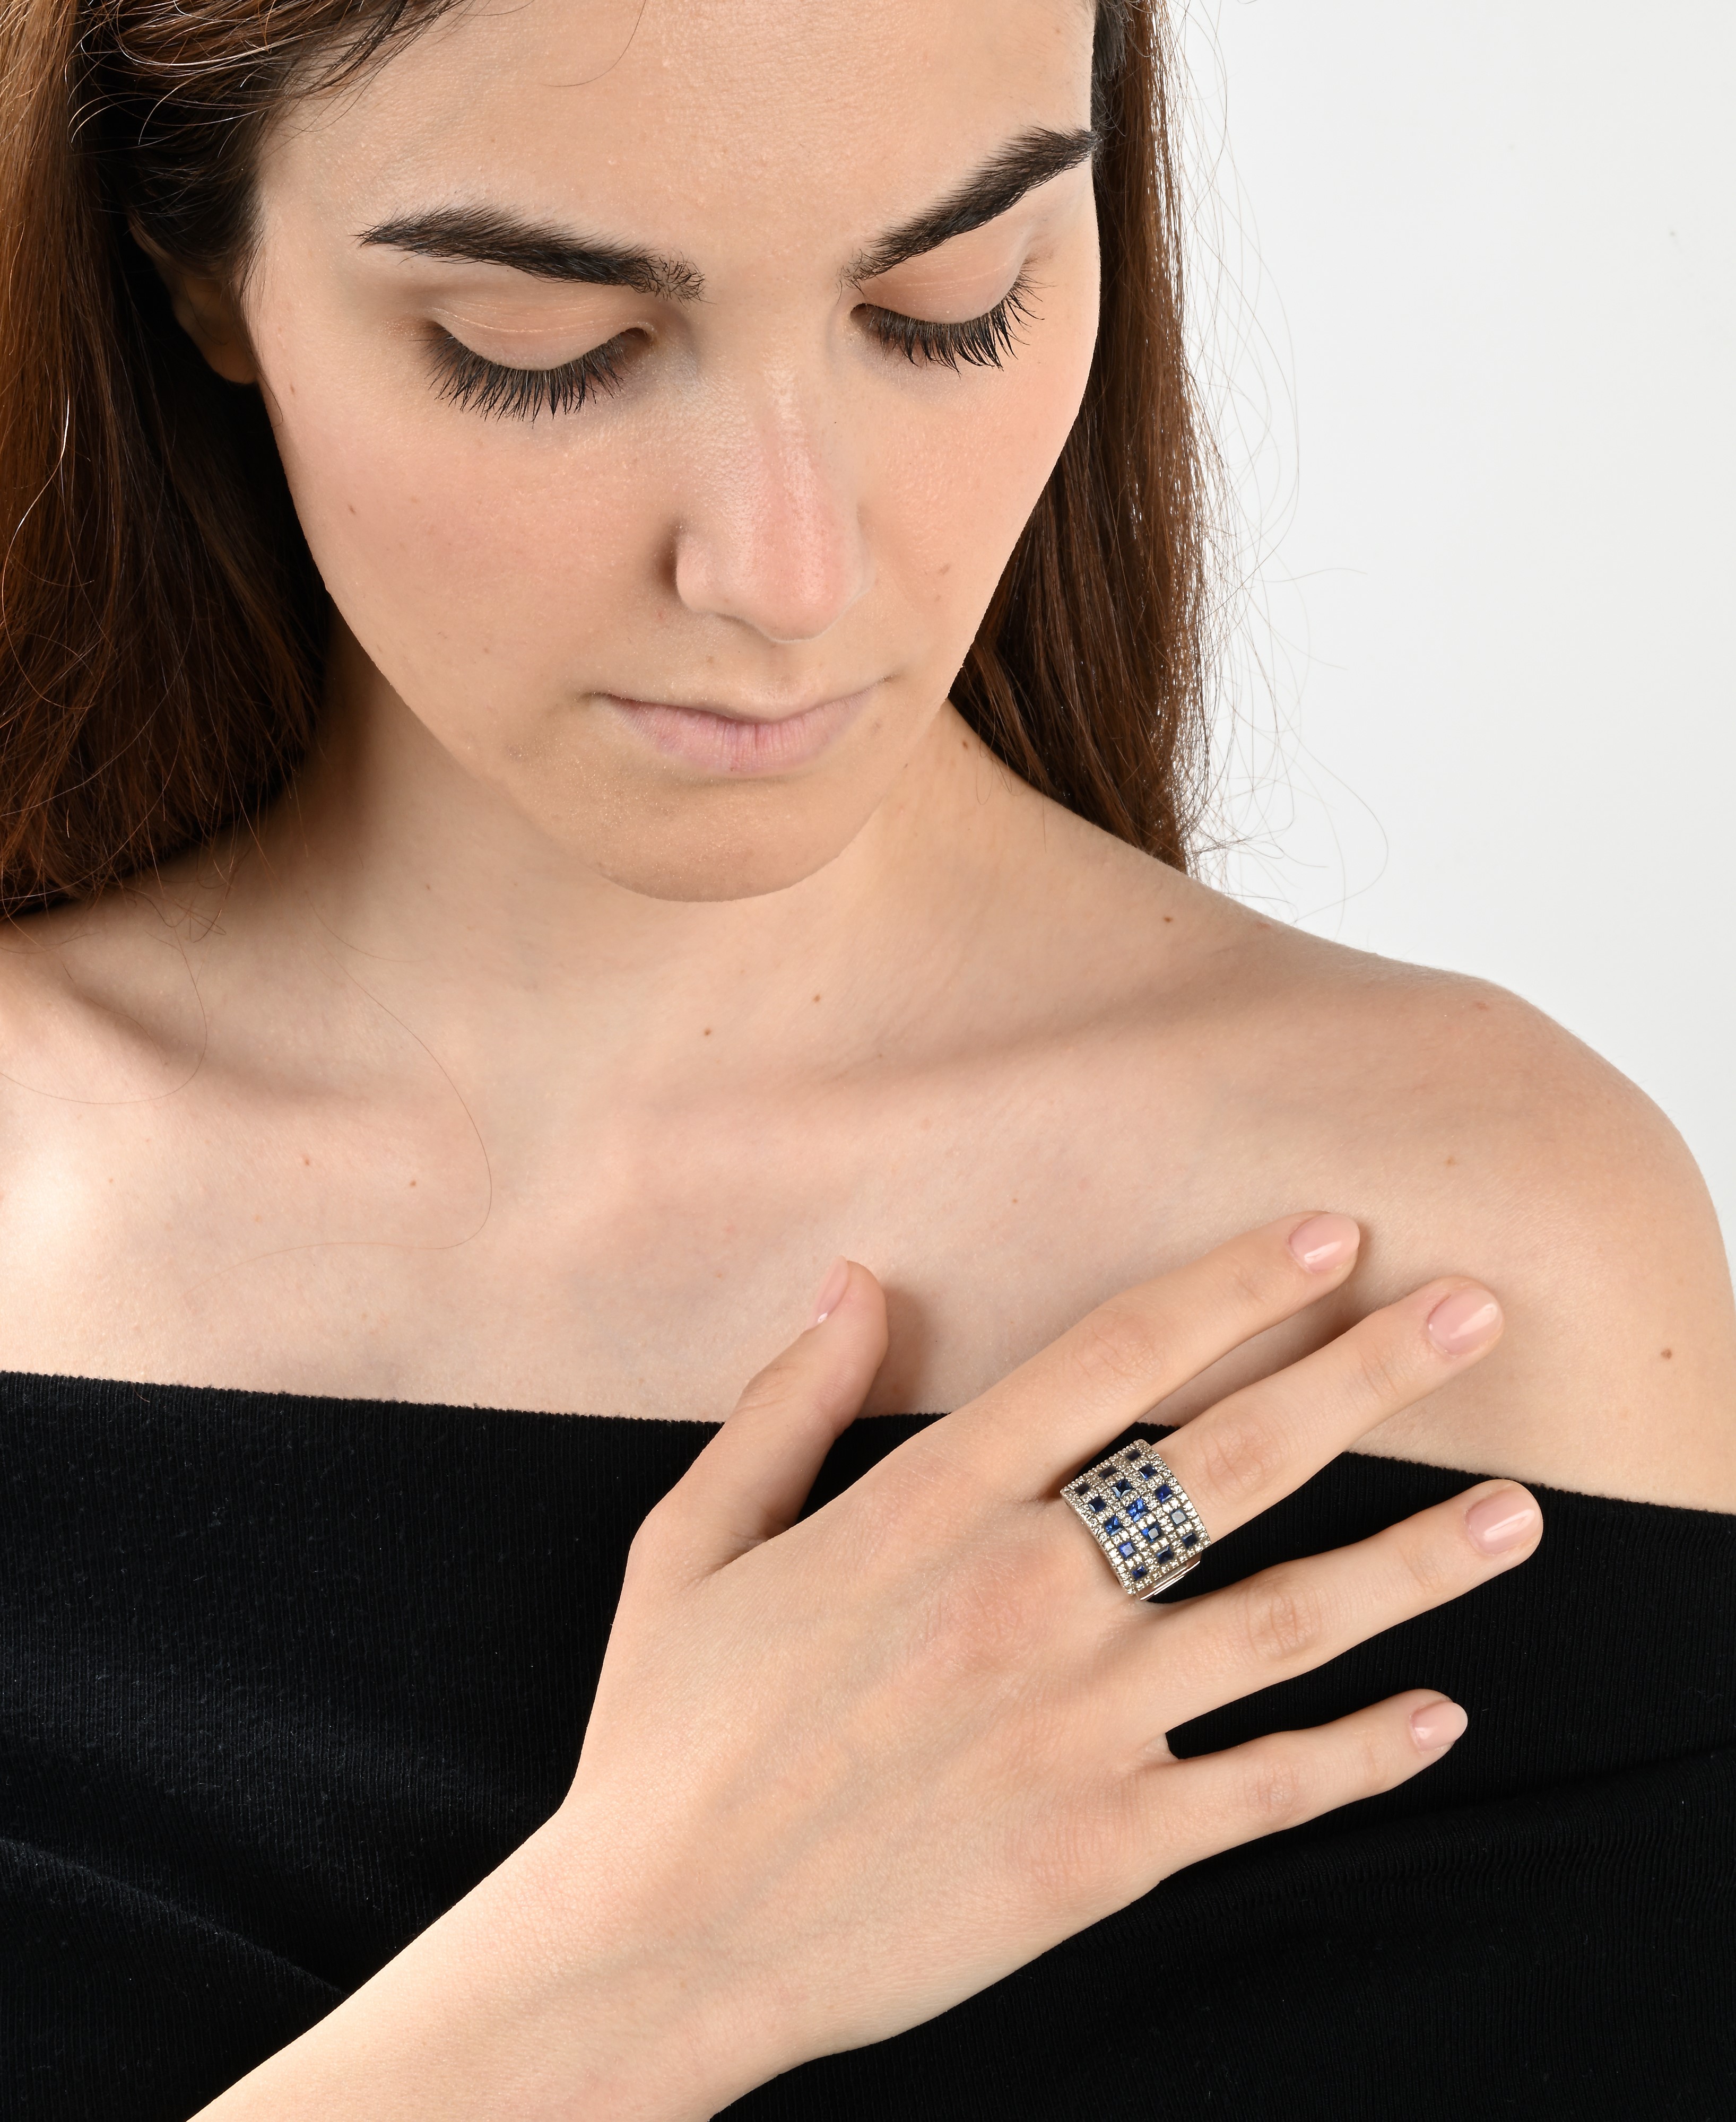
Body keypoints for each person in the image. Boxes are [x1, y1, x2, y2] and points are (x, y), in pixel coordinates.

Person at [0, 0, 1730, 2115]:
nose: (787, 575)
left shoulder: (1446, 1269)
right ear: (191, 259)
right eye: (541, 344)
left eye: (948, 304)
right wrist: (644, 1970)